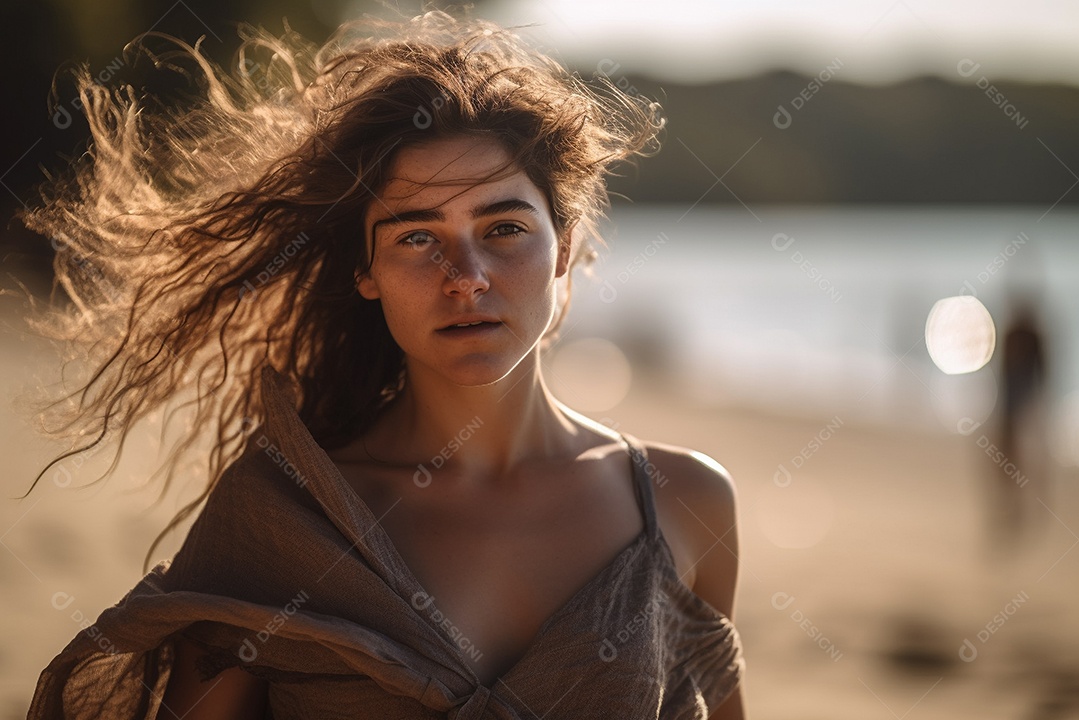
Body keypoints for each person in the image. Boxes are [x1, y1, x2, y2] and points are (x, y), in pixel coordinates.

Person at [19, 10, 745, 719]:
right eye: (416, 239)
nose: (466, 276)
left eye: (503, 229)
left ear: (569, 245)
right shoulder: (284, 515)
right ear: (365, 270)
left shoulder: (685, 503)